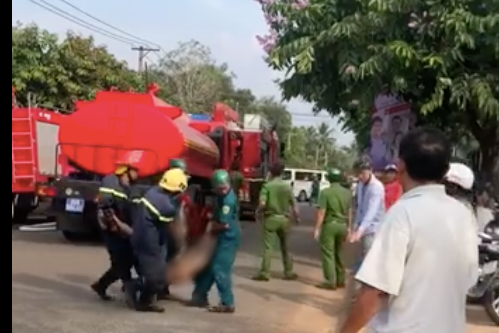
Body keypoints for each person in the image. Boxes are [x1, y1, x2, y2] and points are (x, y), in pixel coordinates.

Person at [340, 127, 479, 333]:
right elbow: (469, 280)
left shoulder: (402, 213)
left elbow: (374, 293)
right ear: (445, 170)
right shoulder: (464, 215)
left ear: (400, 165)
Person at [131, 168, 188, 312]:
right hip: (149, 242)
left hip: (140, 237)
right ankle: (141, 298)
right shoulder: (166, 206)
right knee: (156, 277)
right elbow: (170, 229)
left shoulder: (153, 192)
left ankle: (141, 293)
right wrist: (181, 241)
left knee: (156, 273)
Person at [91, 152, 141, 308]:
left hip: (122, 229)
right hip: (112, 230)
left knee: (124, 260)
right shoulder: (110, 182)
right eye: (135, 169)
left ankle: (101, 285)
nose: (137, 173)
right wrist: (115, 226)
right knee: (122, 261)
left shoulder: (130, 186)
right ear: (125, 170)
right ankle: (129, 294)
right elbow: (105, 209)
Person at [186, 169, 241, 313]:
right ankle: (199, 296)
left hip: (227, 237)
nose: (222, 191)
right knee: (209, 265)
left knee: (220, 268)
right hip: (220, 235)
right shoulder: (220, 195)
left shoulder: (228, 201)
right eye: (219, 188)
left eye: (224, 188)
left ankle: (227, 302)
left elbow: (224, 224)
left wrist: (210, 225)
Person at [252, 163, 299, 281]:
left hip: (271, 219)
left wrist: (258, 212)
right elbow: (294, 204)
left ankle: (265, 273)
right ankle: (288, 272)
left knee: (268, 247)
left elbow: (263, 204)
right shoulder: (287, 187)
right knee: (286, 247)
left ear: (271, 173)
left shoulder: (267, 186)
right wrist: (297, 217)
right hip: (284, 219)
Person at [313, 168, 352, 290]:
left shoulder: (325, 193)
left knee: (328, 253)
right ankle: (341, 279)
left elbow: (321, 212)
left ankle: (330, 281)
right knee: (338, 253)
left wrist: (317, 228)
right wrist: (349, 227)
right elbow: (350, 212)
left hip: (330, 225)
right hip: (343, 225)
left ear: (328, 178)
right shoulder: (347, 193)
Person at [157, 158, 188, 300]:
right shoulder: (167, 191)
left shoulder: (176, 193)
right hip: (165, 230)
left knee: (169, 259)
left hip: (171, 229)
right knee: (162, 259)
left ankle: (163, 288)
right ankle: (154, 287)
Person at [348, 159, 385, 273]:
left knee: (369, 256)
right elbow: (360, 207)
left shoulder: (376, 187)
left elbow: (371, 212)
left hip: (374, 226)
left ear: (370, 171)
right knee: (365, 253)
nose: (360, 176)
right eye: (357, 173)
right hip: (364, 226)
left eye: (362, 173)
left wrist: (359, 231)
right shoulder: (360, 185)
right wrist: (355, 226)